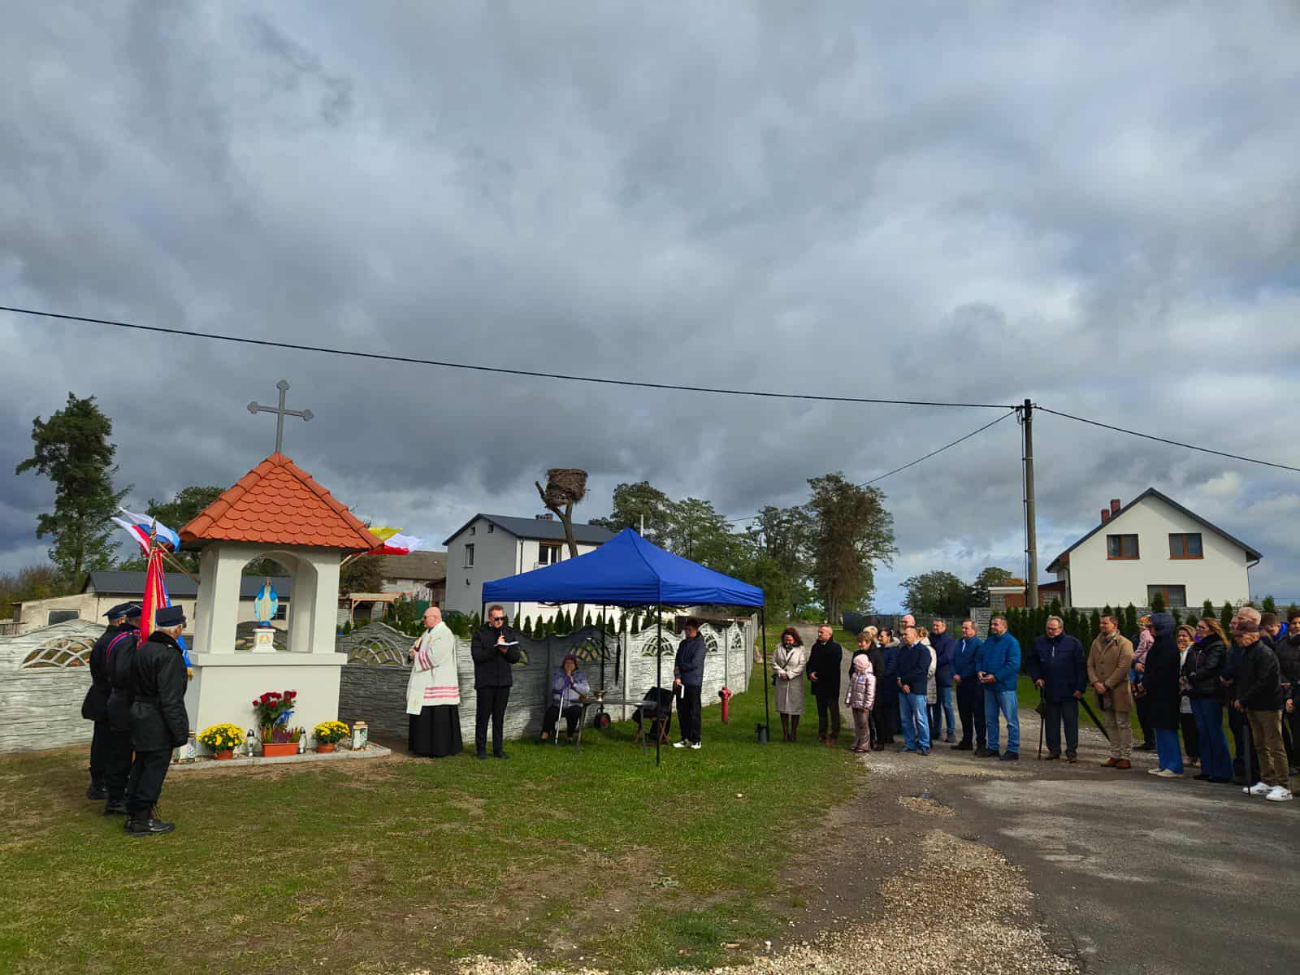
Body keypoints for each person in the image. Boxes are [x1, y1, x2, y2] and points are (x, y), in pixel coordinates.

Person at [124, 606, 190, 836]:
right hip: (157, 718)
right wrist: (180, 731)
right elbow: (170, 699)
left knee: (141, 765)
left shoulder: (144, 648)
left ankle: (133, 814)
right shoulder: (169, 655)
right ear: (177, 628)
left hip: (140, 712)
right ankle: (142, 818)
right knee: (153, 769)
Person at [83, 602, 138, 802]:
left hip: (103, 696)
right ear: (122, 620)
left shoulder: (105, 639)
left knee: (102, 742)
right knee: (110, 744)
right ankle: (102, 784)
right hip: (110, 697)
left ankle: (100, 783)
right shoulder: (117, 641)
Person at [1232, 618, 1291, 801]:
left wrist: (1244, 698)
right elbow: (1244, 679)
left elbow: (1263, 681)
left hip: (1269, 705)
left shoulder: (1264, 653)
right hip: (1253, 705)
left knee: (1275, 746)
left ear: (1252, 635)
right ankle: (1267, 780)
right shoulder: (1246, 652)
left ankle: (1283, 785)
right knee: (1260, 745)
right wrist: (1241, 699)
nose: (1237, 640)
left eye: (1240, 636)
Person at [1026, 615, 1087, 762]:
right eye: (1048, 628)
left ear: (1061, 628)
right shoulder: (1039, 642)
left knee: (1070, 722)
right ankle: (1054, 750)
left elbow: (1081, 666)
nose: (1050, 631)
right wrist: (1036, 678)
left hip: (1069, 690)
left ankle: (1071, 751)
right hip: (1049, 689)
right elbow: (1032, 662)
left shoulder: (1073, 643)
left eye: (1053, 629)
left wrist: (1080, 687)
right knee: (1051, 722)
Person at [406, 606, 462, 758]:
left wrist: (415, 656)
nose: (423, 620)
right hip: (424, 682)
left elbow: (435, 657)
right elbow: (416, 647)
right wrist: (412, 653)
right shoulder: (427, 633)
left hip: (437, 682)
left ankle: (438, 748)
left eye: (425, 617)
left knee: (437, 718)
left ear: (436, 617)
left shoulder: (445, 634)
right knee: (423, 716)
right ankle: (421, 747)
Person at [470, 605, 522, 759]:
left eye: (502, 618)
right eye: (496, 618)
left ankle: (498, 750)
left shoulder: (508, 632)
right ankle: (481, 750)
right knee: (483, 717)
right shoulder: (480, 634)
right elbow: (477, 657)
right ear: (489, 618)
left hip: (503, 682)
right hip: (486, 682)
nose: (500, 621)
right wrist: (495, 648)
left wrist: (506, 651)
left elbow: (516, 657)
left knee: (499, 718)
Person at [1183, 617, 1231, 782]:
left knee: (1214, 731)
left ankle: (1222, 771)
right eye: (1198, 627)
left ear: (1212, 629)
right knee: (1202, 732)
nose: (1199, 629)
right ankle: (1207, 768)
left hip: (1210, 693)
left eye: (1202, 627)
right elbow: (1188, 665)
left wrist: (1193, 676)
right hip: (1196, 692)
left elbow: (1210, 667)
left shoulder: (1217, 646)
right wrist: (1186, 676)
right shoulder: (1196, 647)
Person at [1088, 614, 1135, 770]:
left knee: (1122, 723)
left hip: (1118, 690)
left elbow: (1123, 667)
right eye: (1101, 623)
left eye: (1105, 623)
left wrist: (1107, 685)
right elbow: (1090, 665)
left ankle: (1125, 756)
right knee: (1109, 723)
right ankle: (1115, 754)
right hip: (1101, 690)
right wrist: (1095, 682)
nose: (1102, 625)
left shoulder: (1124, 643)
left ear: (1114, 625)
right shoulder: (1096, 642)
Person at [1144, 613, 1185, 778]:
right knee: (1159, 729)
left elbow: (1161, 670)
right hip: (1156, 693)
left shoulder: (1168, 646)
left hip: (1166, 694)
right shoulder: (1158, 644)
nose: (1149, 629)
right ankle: (1164, 763)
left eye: (1152, 626)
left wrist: (1148, 680)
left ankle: (1174, 765)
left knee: (1167, 729)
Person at [976, 614, 1021, 761]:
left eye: (995, 624)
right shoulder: (988, 642)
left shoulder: (1012, 643)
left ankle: (1013, 749)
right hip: (989, 687)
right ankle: (993, 747)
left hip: (1005, 687)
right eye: (992, 624)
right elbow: (980, 658)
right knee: (990, 719)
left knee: (1011, 720)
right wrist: (980, 670)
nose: (992, 627)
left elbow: (1013, 665)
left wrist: (996, 677)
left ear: (1004, 626)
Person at [895, 625, 931, 755]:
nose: (903, 637)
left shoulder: (923, 651)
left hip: (916, 690)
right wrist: (900, 680)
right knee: (905, 719)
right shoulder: (903, 650)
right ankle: (909, 743)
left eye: (906, 635)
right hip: (903, 690)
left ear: (915, 635)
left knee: (920, 718)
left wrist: (904, 680)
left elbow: (921, 670)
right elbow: (897, 666)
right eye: (903, 635)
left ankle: (924, 744)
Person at [951, 619, 985, 752]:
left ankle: (981, 742)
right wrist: (954, 674)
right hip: (961, 685)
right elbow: (952, 660)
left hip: (974, 685)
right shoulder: (959, 643)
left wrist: (962, 675)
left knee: (978, 715)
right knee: (964, 714)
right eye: (963, 628)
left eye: (966, 628)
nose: (963, 630)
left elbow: (975, 663)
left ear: (974, 630)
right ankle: (967, 740)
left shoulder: (979, 645)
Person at [807, 625, 844, 746]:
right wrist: (810, 672)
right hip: (818, 684)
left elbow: (832, 665)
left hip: (831, 684)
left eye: (821, 632)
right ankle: (822, 733)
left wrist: (817, 674)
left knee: (833, 711)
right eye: (818, 632)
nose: (819, 635)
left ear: (829, 634)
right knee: (821, 711)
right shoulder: (816, 646)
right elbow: (810, 662)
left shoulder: (836, 647)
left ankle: (834, 734)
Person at [542, 653, 591, 743]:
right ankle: (544, 735)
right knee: (550, 713)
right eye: (567, 663)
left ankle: (570, 735)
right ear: (563, 664)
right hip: (559, 703)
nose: (569, 665)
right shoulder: (558, 673)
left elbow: (586, 689)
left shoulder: (580, 675)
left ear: (575, 665)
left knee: (574, 712)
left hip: (573, 703)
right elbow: (556, 686)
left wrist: (574, 684)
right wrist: (565, 677)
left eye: (571, 663)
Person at [673, 618, 706, 749]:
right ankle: (685, 738)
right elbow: (676, 661)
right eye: (685, 630)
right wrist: (677, 677)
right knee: (682, 711)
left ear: (696, 630)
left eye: (689, 630)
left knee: (694, 712)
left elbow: (694, 664)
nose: (687, 632)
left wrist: (681, 666)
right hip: (681, 683)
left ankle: (696, 739)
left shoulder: (700, 645)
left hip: (694, 682)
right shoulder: (682, 644)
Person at [772, 627, 808, 743]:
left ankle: (793, 733)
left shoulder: (801, 649)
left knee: (795, 708)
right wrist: (781, 672)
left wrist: (790, 674)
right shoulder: (778, 647)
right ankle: (785, 733)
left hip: (794, 682)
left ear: (795, 639)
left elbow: (802, 665)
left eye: (790, 640)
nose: (788, 642)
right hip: (781, 681)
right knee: (783, 708)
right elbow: (773, 662)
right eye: (786, 639)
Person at [1276, 610, 1300, 773]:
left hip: (1297, 693)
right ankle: (1290, 760)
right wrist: (1286, 689)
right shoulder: (1281, 643)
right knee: (1280, 729)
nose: (1297, 626)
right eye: (1294, 623)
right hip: (1283, 690)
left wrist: (1293, 695)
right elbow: (1276, 666)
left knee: (1297, 730)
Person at [1173, 625, 1200, 767]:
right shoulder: (1178, 651)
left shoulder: (1194, 651)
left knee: (1196, 725)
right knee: (1186, 725)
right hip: (1181, 692)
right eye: (1180, 635)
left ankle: (1200, 754)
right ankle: (1191, 754)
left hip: (1191, 690)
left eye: (1184, 635)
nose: (1181, 638)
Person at [929, 619, 957, 744]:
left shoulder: (949, 641)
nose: (935, 627)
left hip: (944, 677)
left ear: (944, 627)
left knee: (947, 705)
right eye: (934, 625)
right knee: (935, 705)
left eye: (937, 625)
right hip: (932, 678)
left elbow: (947, 657)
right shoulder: (931, 639)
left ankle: (951, 732)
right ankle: (936, 730)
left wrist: (932, 663)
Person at [872, 628, 900, 750]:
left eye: (882, 636)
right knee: (878, 712)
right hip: (878, 684)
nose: (879, 638)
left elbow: (891, 667)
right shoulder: (878, 650)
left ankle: (888, 735)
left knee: (888, 712)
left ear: (889, 637)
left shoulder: (894, 651)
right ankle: (881, 735)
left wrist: (879, 675)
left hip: (888, 685)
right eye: (879, 636)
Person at [1132, 616, 1156, 751]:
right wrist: (1135, 663)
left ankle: (1154, 741)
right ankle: (1148, 740)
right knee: (1142, 711)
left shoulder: (1155, 638)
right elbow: (1133, 654)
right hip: (1138, 674)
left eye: (1145, 623)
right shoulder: (1136, 637)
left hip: (1150, 674)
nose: (1142, 625)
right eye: (1140, 623)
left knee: (1151, 710)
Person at [844, 652, 876, 753]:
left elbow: (870, 693)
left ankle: (865, 744)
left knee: (863, 724)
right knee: (857, 724)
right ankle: (857, 741)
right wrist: (848, 700)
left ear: (862, 665)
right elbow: (850, 689)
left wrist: (867, 705)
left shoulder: (870, 677)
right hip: (855, 704)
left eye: (856, 665)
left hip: (863, 706)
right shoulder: (855, 675)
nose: (855, 667)